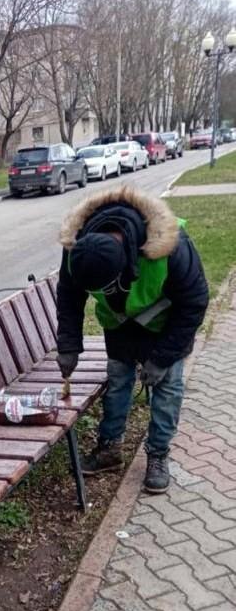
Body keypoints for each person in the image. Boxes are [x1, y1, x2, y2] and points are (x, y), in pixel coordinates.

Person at [55, 185, 209, 494]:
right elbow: (70, 295)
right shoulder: (78, 248)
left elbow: (195, 302)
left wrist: (162, 358)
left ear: (126, 262)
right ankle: (110, 448)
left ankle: (158, 454)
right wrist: (69, 345)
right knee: (117, 382)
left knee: (168, 388)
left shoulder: (172, 246)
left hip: (167, 326)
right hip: (120, 324)